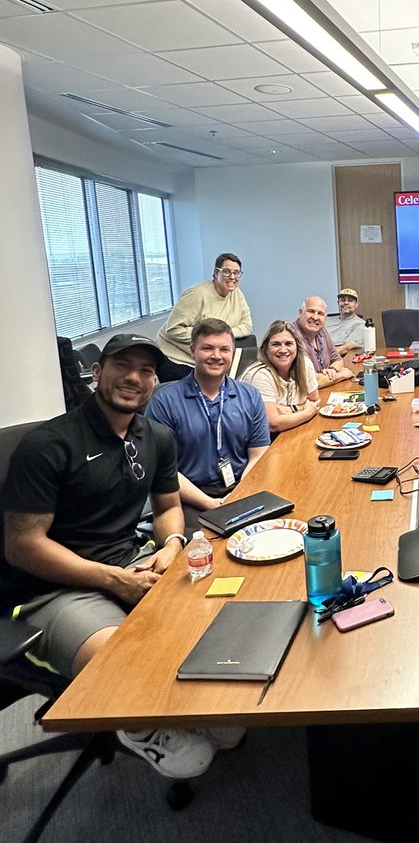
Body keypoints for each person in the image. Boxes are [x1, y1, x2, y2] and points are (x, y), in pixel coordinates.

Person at [1, 334, 232, 778]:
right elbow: (23, 545)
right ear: (96, 371)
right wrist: (110, 579)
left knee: (212, 613)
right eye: (122, 365)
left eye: (146, 370)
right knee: (129, 659)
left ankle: (189, 704)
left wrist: (171, 546)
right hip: (50, 591)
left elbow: (167, 508)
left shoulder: (156, 437)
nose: (134, 377)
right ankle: (138, 725)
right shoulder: (50, 444)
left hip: (131, 559)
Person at [146, 319, 270, 533]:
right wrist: (210, 503)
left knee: (272, 533)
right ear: (192, 351)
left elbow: (258, 454)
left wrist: (241, 492)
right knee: (206, 547)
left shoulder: (249, 395)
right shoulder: (164, 401)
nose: (216, 356)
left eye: (224, 349)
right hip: (189, 496)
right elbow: (164, 470)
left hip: (242, 485)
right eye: (207, 348)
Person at [156, 253, 253, 379]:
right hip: (178, 358)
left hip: (207, 355)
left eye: (237, 272)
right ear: (215, 273)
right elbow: (173, 329)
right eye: (227, 272)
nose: (232, 277)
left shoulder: (237, 294)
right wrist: (210, 337)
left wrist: (220, 335)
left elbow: (247, 326)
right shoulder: (196, 295)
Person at [243, 320, 321, 434]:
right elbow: (273, 424)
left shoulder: (304, 364)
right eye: (276, 344)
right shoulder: (259, 375)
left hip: (291, 432)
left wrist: (288, 410)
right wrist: (305, 411)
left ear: (297, 347)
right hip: (261, 441)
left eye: (289, 344)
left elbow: (315, 401)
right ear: (265, 349)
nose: (283, 350)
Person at [291, 296, 355, 389]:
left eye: (320, 313)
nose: (315, 317)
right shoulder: (291, 336)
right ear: (300, 313)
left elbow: (338, 360)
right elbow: (309, 381)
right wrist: (342, 375)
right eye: (311, 311)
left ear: (325, 317)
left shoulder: (321, 330)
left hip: (323, 391)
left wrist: (332, 370)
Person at [326, 288, 367, 359]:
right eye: (342, 300)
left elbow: (346, 348)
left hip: (339, 359)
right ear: (338, 303)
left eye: (350, 300)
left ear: (356, 304)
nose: (346, 303)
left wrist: (322, 355)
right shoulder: (326, 321)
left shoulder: (361, 324)